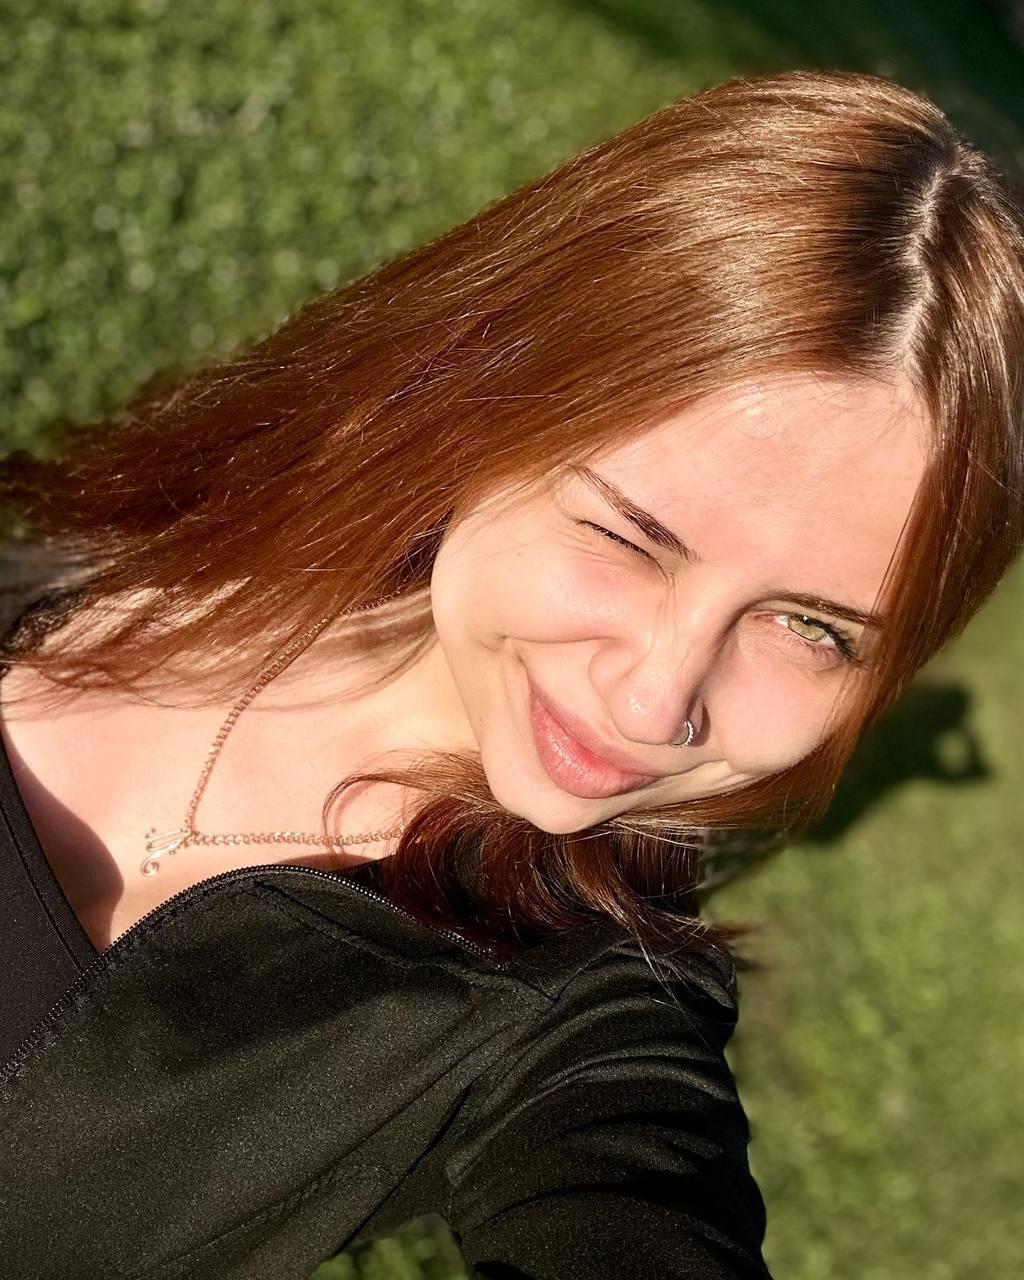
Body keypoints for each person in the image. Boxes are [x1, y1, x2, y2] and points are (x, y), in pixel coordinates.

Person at [0, 66, 1022, 1279]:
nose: (653, 701)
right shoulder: (156, 549)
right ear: (481, 394)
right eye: (628, 535)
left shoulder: (571, 1018)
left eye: (812, 628)